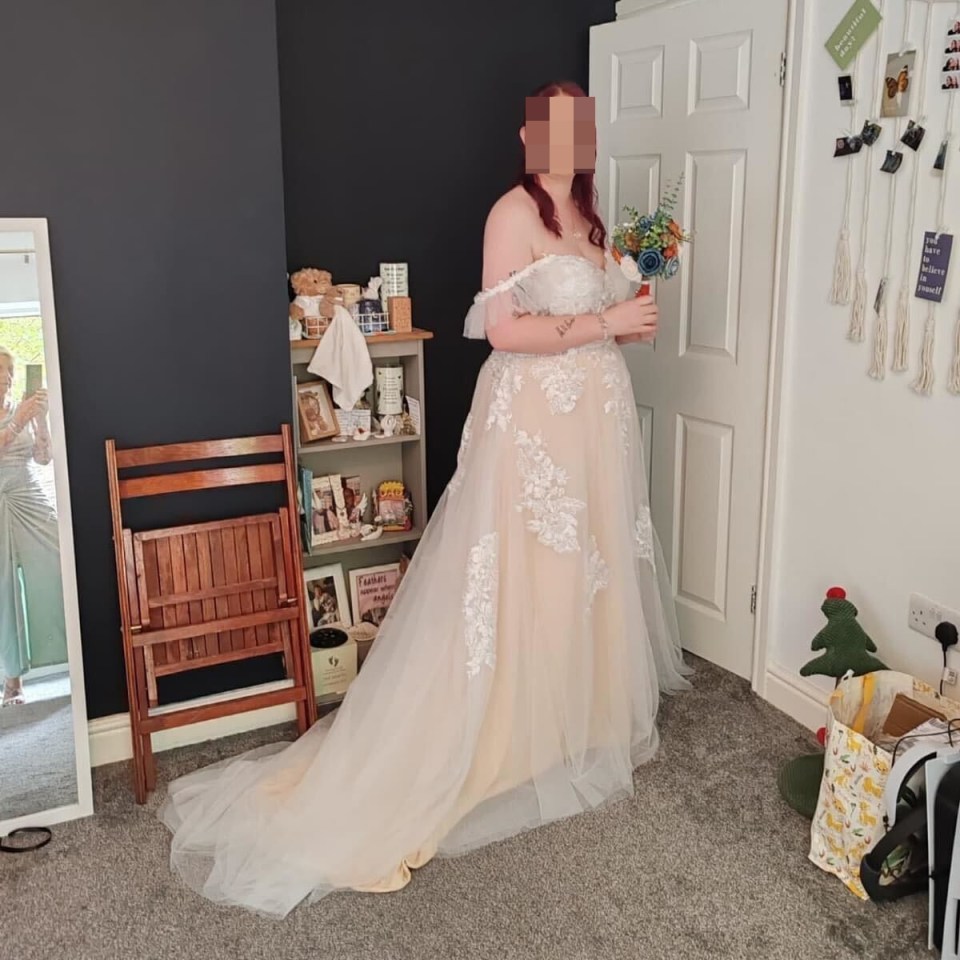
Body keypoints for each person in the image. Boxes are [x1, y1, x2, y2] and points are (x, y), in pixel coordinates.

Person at [158, 80, 691, 917]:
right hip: (535, 425)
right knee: (524, 573)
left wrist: (629, 306)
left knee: (582, 570)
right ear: (528, 136)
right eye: (552, 127)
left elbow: (598, 311)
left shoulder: (593, 219)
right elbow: (501, 330)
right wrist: (607, 327)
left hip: (594, 418)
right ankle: (490, 738)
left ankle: (571, 719)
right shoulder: (510, 214)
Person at [0, 347, 65, 707]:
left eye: (9, 371)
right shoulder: (14, 415)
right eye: (0, 371)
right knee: (3, 586)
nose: (6, 378)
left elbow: (43, 457)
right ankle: (12, 683)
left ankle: (64, 656)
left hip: (28, 493)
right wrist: (16, 422)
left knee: (57, 563)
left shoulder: (21, 408)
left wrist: (39, 419)